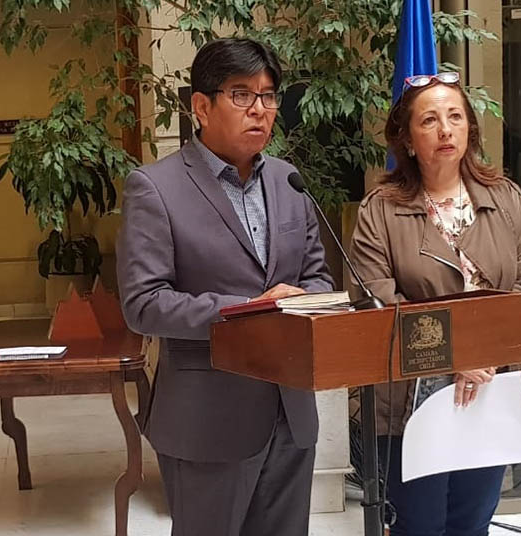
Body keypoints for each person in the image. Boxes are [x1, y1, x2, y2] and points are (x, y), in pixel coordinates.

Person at [116, 38, 333, 536]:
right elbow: (144, 304)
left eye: (268, 95)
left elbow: (317, 277)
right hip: (207, 419)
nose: (260, 109)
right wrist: (249, 309)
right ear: (201, 106)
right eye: (241, 95)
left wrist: (310, 300)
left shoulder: (289, 182)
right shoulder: (156, 188)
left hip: (291, 412)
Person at [349, 72, 521, 536]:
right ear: (406, 139)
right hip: (409, 401)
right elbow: (376, 303)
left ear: (470, 129)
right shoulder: (379, 210)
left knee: (472, 523)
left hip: (492, 388)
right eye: (430, 120)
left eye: (455, 117)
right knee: (419, 524)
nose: (445, 130)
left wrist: (484, 357)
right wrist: (455, 357)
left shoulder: (505, 198)